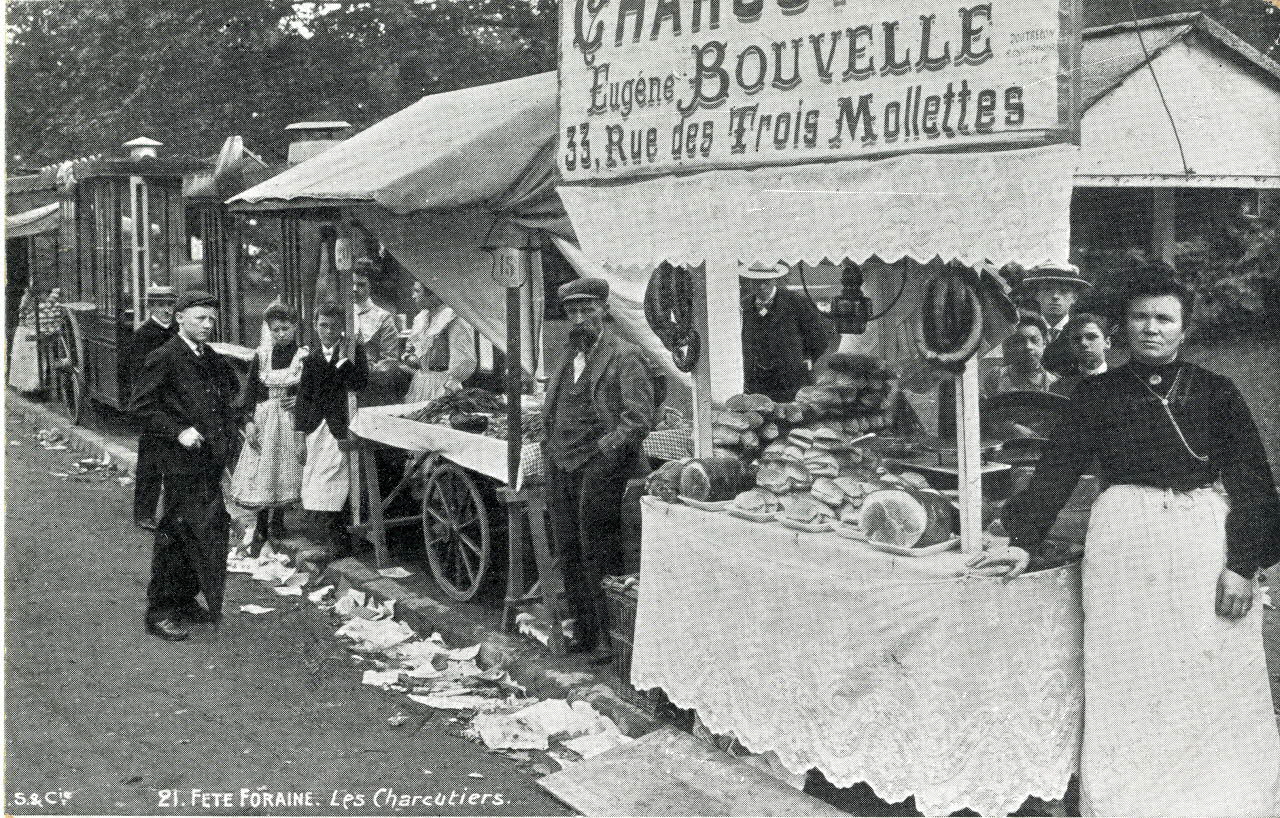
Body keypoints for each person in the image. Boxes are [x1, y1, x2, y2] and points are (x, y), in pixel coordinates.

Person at [970, 266, 1280, 816]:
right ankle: (1128, 802)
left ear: (1185, 329)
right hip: (1124, 541)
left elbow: (1254, 481)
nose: (1152, 328)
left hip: (1198, 539)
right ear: (1123, 327)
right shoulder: (1097, 394)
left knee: (1204, 664)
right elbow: (1057, 469)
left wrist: (1243, 566)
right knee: (1128, 668)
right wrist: (1022, 538)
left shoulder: (1217, 392)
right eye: (1140, 317)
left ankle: (1215, 799)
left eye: (1165, 319)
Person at [544, 278, 655, 662]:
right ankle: (585, 631)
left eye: (587, 310)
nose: (579, 319)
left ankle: (610, 637)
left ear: (604, 310)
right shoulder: (566, 356)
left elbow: (637, 419)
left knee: (597, 548)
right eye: (572, 312)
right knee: (568, 547)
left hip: (602, 465)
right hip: (561, 461)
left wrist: (605, 449)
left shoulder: (625, 355)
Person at [129, 291, 240, 641]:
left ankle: (185, 599)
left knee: (205, 531)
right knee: (176, 533)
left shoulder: (210, 357)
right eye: (199, 319)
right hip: (179, 462)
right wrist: (178, 431)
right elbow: (142, 405)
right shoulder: (165, 357)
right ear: (179, 319)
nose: (207, 325)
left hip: (208, 461)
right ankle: (159, 611)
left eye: (211, 319)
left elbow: (228, 391)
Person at [228, 302, 307, 544]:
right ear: (269, 330)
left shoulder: (303, 356)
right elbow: (251, 391)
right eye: (275, 330)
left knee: (285, 468)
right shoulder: (261, 356)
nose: (280, 334)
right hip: (264, 418)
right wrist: (249, 421)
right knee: (263, 468)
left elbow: (310, 388)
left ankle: (279, 519)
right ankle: (262, 521)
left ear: (294, 328)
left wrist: (299, 398)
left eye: (285, 328)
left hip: (290, 420)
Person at [296, 302, 368, 559]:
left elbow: (360, 382)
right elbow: (304, 398)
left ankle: (341, 542)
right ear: (315, 326)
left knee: (339, 480)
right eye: (322, 325)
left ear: (341, 329)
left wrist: (342, 364)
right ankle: (330, 537)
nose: (327, 331)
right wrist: (299, 435)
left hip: (341, 424)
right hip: (317, 426)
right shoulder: (311, 358)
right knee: (317, 482)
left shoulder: (352, 351)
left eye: (333, 326)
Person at [740, 262, 830, 402]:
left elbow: (819, 339)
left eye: (765, 281)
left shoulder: (796, 301)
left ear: (774, 280)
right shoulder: (744, 306)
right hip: (757, 383)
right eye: (756, 282)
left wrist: (803, 360)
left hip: (792, 380)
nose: (761, 286)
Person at [128, 287, 178, 529]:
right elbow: (138, 375)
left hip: (177, 404)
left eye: (170, 304)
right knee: (150, 460)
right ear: (151, 308)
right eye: (161, 305)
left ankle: (173, 511)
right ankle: (144, 513)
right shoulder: (143, 336)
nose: (167, 310)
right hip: (154, 405)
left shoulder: (178, 331)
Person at [403, 279, 477, 403]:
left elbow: (465, 358)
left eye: (417, 291)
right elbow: (414, 351)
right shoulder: (422, 318)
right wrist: (410, 357)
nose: (413, 296)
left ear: (432, 292)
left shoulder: (452, 317)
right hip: (420, 383)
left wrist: (449, 387)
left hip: (443, 386)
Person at [1018, 262, 1093, 377]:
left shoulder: (1083, 333)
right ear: (1036, 295)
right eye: (1047, 290)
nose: (1055, 297)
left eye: (1064, 291)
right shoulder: (1022, 331)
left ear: (1074, 298)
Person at [979, 311, 1064, 399]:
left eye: (1034, 340)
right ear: (1010, 345)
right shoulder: (996, 378)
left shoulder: (1055, 383)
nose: (1028, 347)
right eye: (1019, 341)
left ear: (1044, 343)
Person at [352, 260, 400, 365]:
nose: (354, 289)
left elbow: (389, 361)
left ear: (371, 286)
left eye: (361, 285)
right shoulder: (344, 314)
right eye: (352, 284)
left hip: (371, 377)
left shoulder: (383, 318)